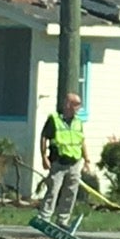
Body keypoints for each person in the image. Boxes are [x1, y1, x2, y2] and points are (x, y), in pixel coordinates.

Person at [36, 91, 93, 225]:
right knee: (53, 190)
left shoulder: (78, 122)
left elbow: (81, 141)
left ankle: (63, 219)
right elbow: (44, 137)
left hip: (74, 163)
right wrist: (44, 156)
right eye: (76, 104)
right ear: (68, 104)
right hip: (58, 162)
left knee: (70, 192)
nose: (78, 107)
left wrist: (86, 159)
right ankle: (44, 217)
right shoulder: (55, 119)